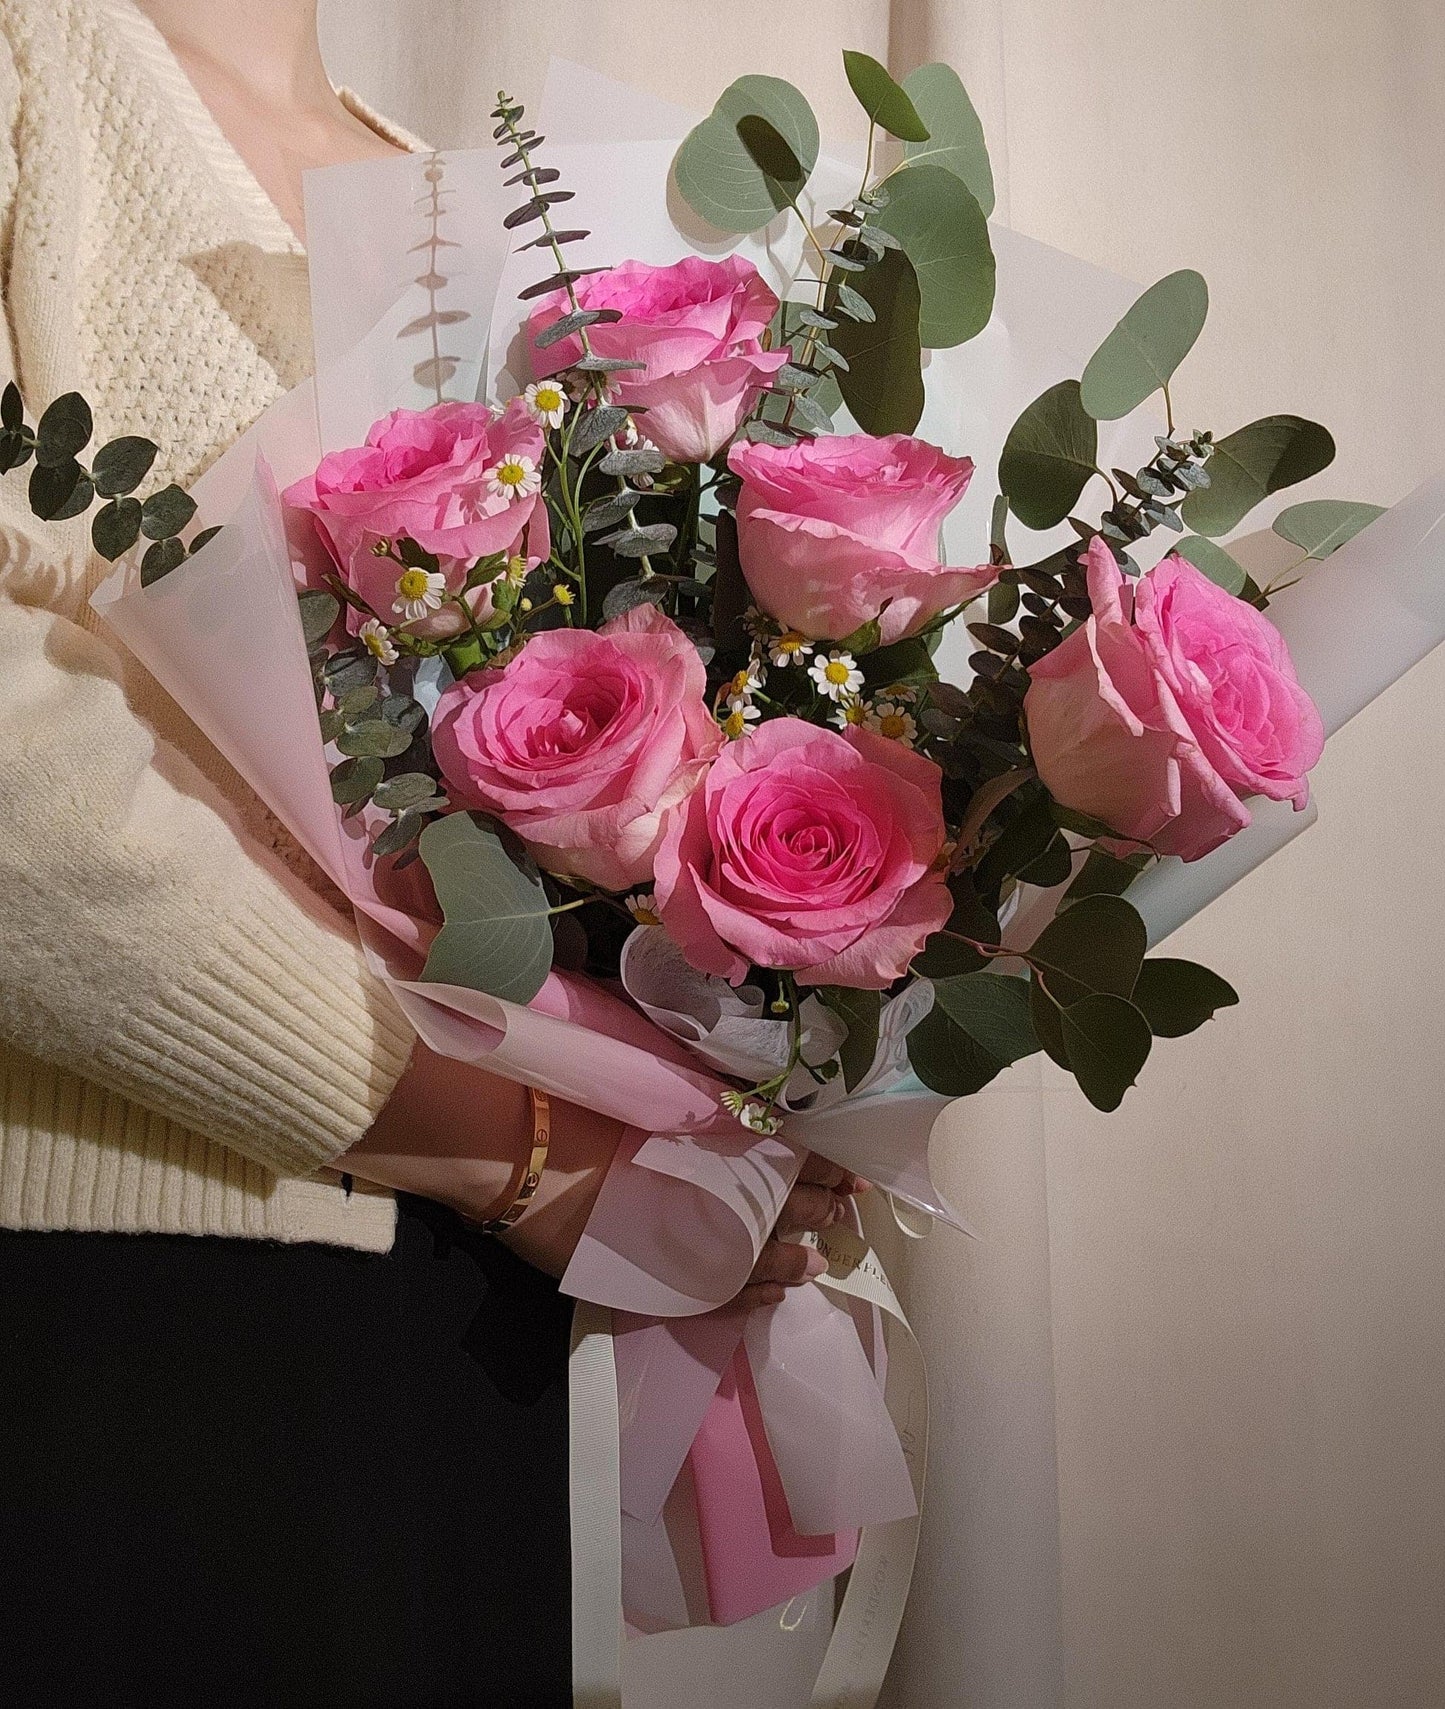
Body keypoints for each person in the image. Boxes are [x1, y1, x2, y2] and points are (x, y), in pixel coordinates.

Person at [0, 2, 857, 1703]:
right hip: (99, 1307)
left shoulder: (492, 206)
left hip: (460, 1331)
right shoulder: (31, 98)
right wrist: (510, 1139)